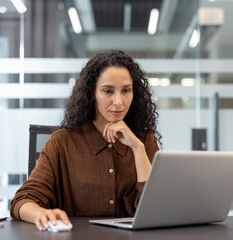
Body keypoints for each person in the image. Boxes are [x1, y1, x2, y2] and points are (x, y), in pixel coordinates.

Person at [10, 50, 161, 231]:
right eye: (108, 91)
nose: (119, 101)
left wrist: (137, 148)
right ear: (92, 93)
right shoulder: (62, 142)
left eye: (126, 90)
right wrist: (41, 214)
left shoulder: (145, 141)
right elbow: (23, 200)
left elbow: (155, 209)